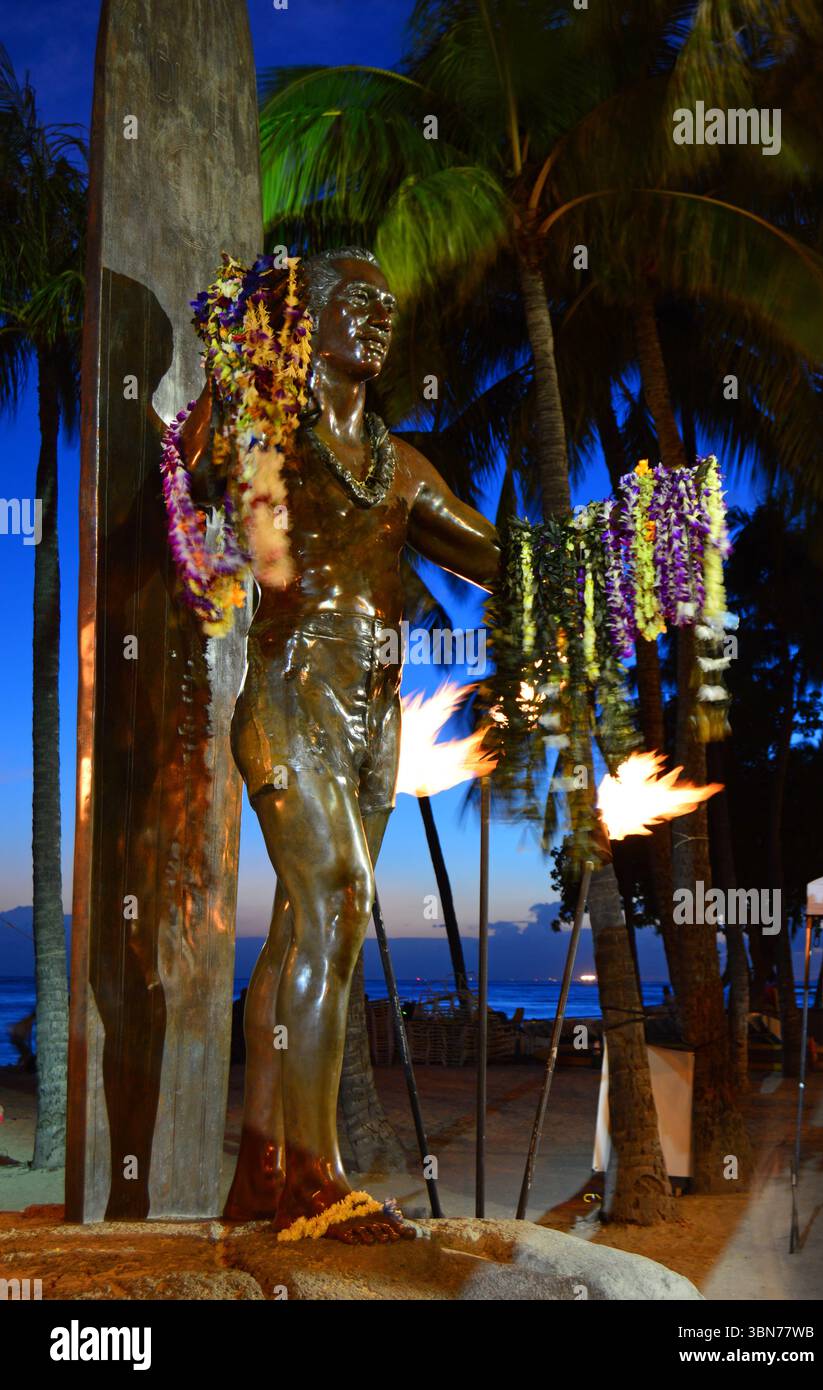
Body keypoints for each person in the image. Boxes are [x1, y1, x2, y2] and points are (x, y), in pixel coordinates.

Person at [179, 249, 499, 1243]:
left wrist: (616, 556)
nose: (379, 317)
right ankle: (319, 1177)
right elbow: (195, 473)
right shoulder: (272, 427)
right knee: (338, 897)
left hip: (372, 726)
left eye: (388, 306)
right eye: (355, 302)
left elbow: (491, 555)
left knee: (307, 937)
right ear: (310, 317)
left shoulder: (397, 467)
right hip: (286, 698)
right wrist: (231, 365)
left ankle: (263, 1175)